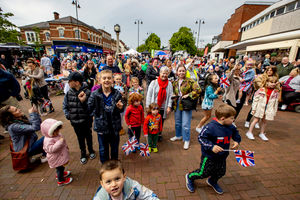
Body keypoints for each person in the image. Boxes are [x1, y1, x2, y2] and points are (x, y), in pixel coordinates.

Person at [185, 104, 241, 194]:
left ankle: (212, 181)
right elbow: (201, 138)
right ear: (223, 118)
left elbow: (236, 134)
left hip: (222, 156)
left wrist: (236, 141)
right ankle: (190, 176)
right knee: (203, 173)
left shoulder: (231, 126)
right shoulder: (210, 127)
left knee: (221, 172)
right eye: (231, 118)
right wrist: (211, 146)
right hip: (209, 156)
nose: (233, 120)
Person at [88, 70, 124, 164]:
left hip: (114, 126)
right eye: (104, 78)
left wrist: (121, 107)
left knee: (115, 148)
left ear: (112, 80)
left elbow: (122, 106)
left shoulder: (117, 93)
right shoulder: (95, 94)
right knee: (103, 149)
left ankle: (115, 165)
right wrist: (98, 114)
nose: (106, 80)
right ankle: (105, 166)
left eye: (109, 78)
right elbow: (89, 108)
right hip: (101, 127)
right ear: (100, 80)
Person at [63, 72, 96, 164]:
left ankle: (91, 150)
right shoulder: (69, 93)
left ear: (77, 82)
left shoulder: (88, 92)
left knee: (88, 136)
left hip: (86, 120)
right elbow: (65, 105)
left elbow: (90, 107)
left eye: (70, 81)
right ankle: (83, 153)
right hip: (75, 121)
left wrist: (84, 101)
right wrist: (68, 115)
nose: (68, 83)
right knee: (80, 138)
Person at [93, 160, 159, 200]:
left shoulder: (132, 187)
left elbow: (149, 196)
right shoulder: (100, 197)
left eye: (117, 179)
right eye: (108, 182)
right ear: (102, 184)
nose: (114, 184)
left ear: (124, 177)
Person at [170, 64, 201, 149]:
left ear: (185, 71)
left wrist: (189, 95)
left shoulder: (190, 81)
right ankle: (178, 135)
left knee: (185, 123)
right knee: (177, 122)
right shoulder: (175, 82)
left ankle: (186, 139)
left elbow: (198, 90)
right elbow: (172, 92)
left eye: (183, 71)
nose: (181, 72)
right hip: (177, 103)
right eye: (179, 71)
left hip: (186, 103)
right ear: (177, 72)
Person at [245, 76, 280, 141]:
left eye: (274, 82)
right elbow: (255, 99)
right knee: (256, 120)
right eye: (271, 82)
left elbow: (276, 102)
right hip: (260, 107)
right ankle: (249, 132)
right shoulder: (261, 90)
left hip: (268, 108)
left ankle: (262, 133)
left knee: (264, 121)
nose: (273, 84)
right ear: (267, 82)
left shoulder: (275, 92)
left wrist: (274, 111)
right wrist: (254, 108)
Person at [41, 119, 73, 186]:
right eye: (56, 131)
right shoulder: (48, 140)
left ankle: (60, 174)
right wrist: (60, 142)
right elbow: (51, 149)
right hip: (56, 158)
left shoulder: (57, 135)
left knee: (61, 167)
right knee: (59, 168)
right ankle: (61, 181)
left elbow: (62, 142)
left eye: (58, 130)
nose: (58, 132)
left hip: (59, 156)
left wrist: (66, 146)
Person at [146, 66, 173, 141]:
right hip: (154, 107)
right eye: (163, 73)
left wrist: (169, 106)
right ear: (160, 73)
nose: (164, 75)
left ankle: (159, 133)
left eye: (166, 73)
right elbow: (149, 95)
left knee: (161, 120)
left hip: (163, 106)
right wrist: (148, 107)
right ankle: (151, 134)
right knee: (152, 121)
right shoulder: (153, 83)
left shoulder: (169, 84)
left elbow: (170, 95)